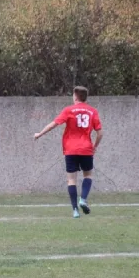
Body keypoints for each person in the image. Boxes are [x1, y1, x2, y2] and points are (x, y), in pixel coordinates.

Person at [34, 86, 103, 218]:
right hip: (86, 149)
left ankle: (75, 210)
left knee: (71, 180)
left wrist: (39, 134)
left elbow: (53, 124)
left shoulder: (69, 110)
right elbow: (100, 133)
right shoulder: (93, 111)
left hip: (70, 149)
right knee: (88, 175)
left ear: (75, 96)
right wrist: (95, 146)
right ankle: (83, 199)